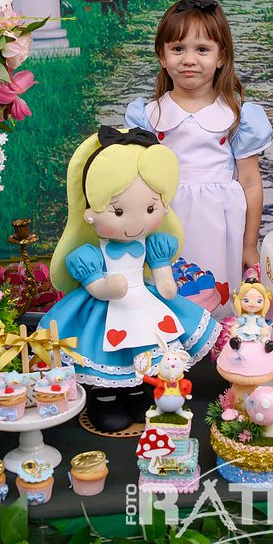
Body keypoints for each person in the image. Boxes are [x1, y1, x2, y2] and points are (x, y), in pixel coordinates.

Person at [43, 127, 220, 433]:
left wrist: (166, 284)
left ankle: (138, 391)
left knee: (146, 346)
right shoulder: (89, 255)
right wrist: (105, 287)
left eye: (151, 208)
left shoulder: (155, 244)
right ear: (90, 212)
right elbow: (96, 286)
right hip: (106, 306)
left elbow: (163, 277)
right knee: (106, 349)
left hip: (144, 303)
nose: (135, 222)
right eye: (118, 211)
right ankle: (105, 396)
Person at [126, 0, 271, 317]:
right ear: (162, 56)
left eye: (202, 49)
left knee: (215, 293)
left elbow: (250, 183)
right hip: (165, 216)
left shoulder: (235, 116)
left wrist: (249, 244)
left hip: (218, 220)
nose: (189, 59)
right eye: (178, 49)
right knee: (167, 291)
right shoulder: (150, 116)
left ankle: (218, 339)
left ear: (221, 57)